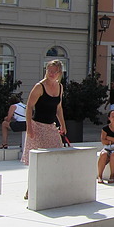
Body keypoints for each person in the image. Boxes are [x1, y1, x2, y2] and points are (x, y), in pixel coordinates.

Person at [22, 60, 66, 199]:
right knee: (37, 161)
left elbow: (58, 108)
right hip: (37, 126)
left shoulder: (60, 87)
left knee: (57, 156)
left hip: (51, 127)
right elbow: (29, 107)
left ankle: (50, 186)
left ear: (59, 73)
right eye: (49, 71)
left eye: (54, 71)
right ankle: (31, 189)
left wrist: (63, 124)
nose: (51, 74)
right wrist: (29, 128)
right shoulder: (39, 87)